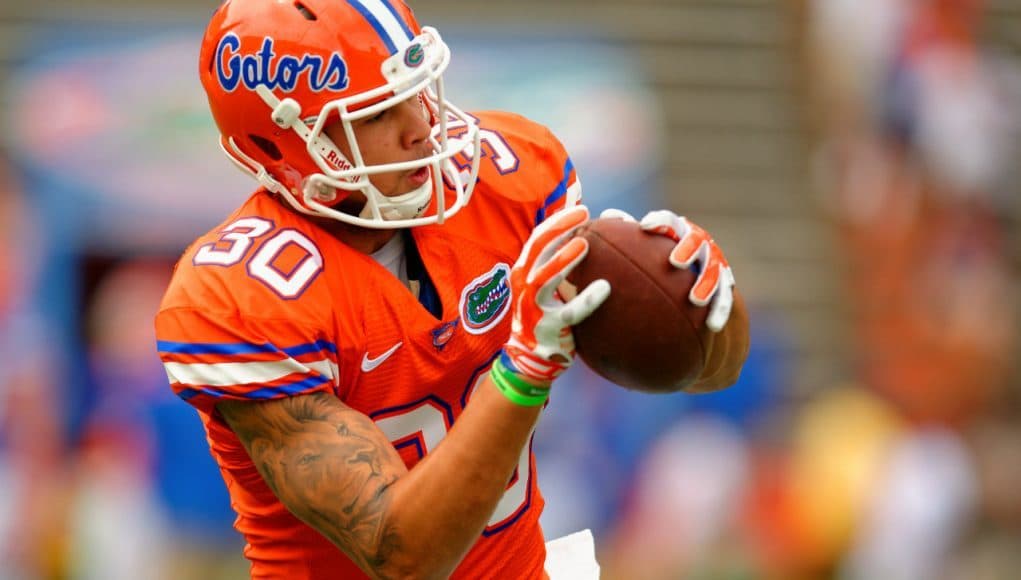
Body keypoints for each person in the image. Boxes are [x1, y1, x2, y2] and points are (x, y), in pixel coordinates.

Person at [154, 0, 750, 578]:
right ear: (281, 146)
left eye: (413, 91)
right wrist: (523, 372)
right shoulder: (241, 298)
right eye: (375, 114)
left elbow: (707, 370)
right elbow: (403, 556)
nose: (422, 127)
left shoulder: (507, 182)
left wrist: (702, 297)